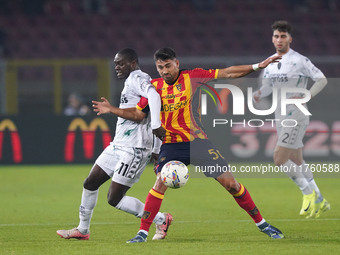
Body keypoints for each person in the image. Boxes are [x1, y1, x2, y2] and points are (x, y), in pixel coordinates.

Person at [121, 47, 284, 243]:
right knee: (159, 183)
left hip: (198, 142)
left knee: (232, 185)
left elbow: (228, 73)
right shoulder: (153, 87)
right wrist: (112, 109)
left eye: (168, 66)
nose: (164, 71)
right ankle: (142, 233)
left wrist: (258, 66)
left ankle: (262, 224)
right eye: (160, 67)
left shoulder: (193, 77)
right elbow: (138, 114)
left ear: (177, 64)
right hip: (172, 146)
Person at [57, 48, 172, 241]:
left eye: (121, 63)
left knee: (114, 199)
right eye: (115, 64)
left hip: (134, 149)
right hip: (118, 145)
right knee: (90, 183)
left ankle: (160, 219)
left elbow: (154, 95)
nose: (117, 67)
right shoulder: (130, 81)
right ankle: (83, 230)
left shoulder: (137, 77)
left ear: (133, 63)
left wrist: (155, 129)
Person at [253, 21, 330, 219]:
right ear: (272, 38)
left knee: (279, 158)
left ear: (290, 38)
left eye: (283, 36)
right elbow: (268, 86)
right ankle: (320, 199)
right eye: (276, 36)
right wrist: (260, 93)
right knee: (296, 159)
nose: (279, 40)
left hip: (295, 113)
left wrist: (307, 96)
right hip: (280, 114)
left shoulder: (299, 60)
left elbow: (321, 79)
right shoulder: (270, 62)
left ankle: (308, 193)